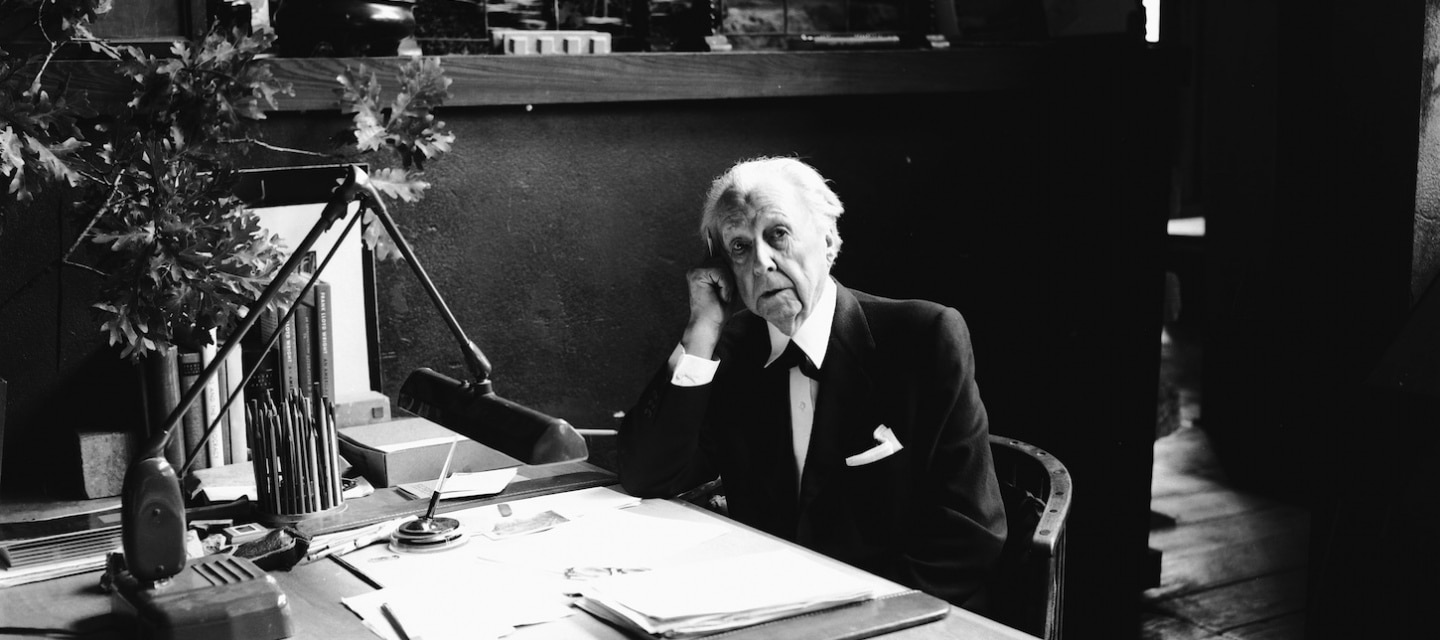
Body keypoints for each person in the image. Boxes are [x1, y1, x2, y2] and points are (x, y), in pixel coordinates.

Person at [618, 157, 1007, 609]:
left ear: (828, 240)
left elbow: (970, 534)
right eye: (740, 247)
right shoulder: (730, 350)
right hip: (765, 613)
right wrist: (701, 329)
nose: (762, 263)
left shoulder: (924, 337)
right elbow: (646, 475)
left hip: (893, 618)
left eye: (778, 234)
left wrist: (845, 619)